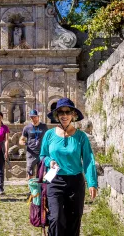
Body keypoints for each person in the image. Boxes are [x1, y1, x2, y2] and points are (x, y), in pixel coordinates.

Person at [40, 98, 98, 236]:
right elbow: (42, 155)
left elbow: (89, 159)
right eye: (61, 112)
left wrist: (92, 182)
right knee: (56, 218)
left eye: (68, 112)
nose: (64, 115)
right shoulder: (49, 135)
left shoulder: (81, 137)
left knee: (74, 218)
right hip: (55, 181)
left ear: (73, 115)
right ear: (57, 115)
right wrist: (50, 162)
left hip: (75, 182)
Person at [19, 110, 48, 180]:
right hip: (31, 153)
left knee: (41, 172)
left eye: (35, 117)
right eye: (32, 117)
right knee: (29, 171)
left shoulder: (44, 126)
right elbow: (21, 139)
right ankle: (31, 189)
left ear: (38, 117)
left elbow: (48, 138)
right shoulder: (27, 128)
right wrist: (22, 142)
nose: (33, 119)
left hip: (41, 153)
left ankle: (39, 189)